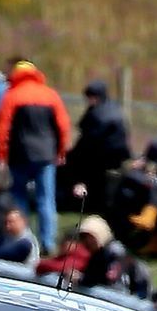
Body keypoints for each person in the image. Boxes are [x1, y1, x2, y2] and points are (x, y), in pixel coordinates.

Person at [0, 60, 72, 254]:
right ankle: (48, 242)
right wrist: (60, 151)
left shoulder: (12, 95)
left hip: (19, 155)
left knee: (19, 198)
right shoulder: (50, 94)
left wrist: (1, 154)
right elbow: (63, 126)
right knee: (46, 199)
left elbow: (2, 128)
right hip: (46, 155)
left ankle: (24, 237)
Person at [63, 80, 131, 213]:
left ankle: (73, 200)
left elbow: (88, 142)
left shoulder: (97, 114)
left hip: (102, 157)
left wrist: (72, 155)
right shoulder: (113, 108)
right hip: (117, 156)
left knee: (71, 163)